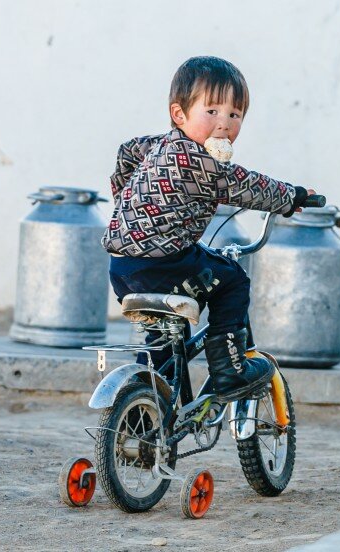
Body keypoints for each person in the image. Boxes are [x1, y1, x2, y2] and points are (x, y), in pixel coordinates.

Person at [101, 56, 314, 402]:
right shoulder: (198, 160)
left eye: (235, 115)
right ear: (179, 115)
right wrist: (291, 196)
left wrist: (131, 205)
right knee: (232, 280)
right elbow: (244, 184)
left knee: (165, 336)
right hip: (165, 265)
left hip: (123, 267)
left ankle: (148, 407)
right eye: (212, 112)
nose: (224, 124)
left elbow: (126, 153)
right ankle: (229, 369)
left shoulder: (157, 146)